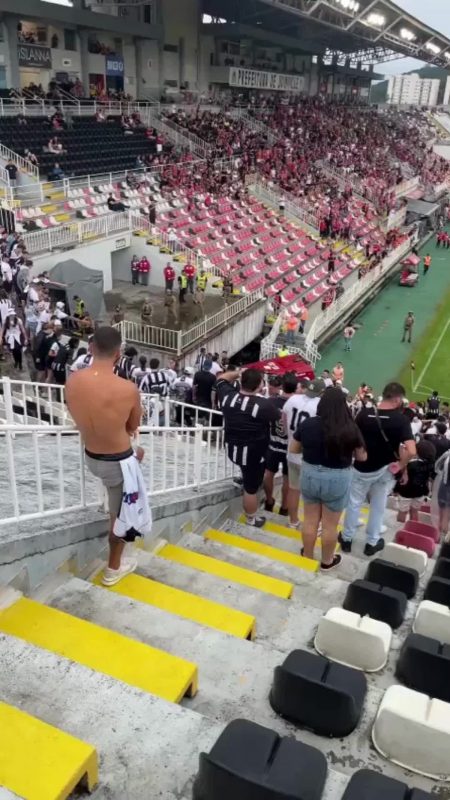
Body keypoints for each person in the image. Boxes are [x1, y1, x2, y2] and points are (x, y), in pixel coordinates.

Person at [66, 327, 146, 586]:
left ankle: (115, 558)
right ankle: (113, 568)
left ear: (91, 348)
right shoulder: (128, 388)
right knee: (120, 517)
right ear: (118, 354)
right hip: (117, 462)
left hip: (91, 456)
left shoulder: (73, 380)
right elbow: (133, 425)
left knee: (115, 507)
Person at [290, 387, 367, 569]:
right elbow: (362, 457)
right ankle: (327, 560)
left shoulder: (308, 424)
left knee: (309, 520)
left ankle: (307, 556)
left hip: (310, 474)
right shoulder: (350, 428)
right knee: (329, 526)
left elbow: (293, 449)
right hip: (337, 478)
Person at [340, 382, 416, 556]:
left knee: (354, 503)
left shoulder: (364, 414)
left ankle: (346, 539)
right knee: (378, 505)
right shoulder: (401, 419)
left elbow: (353, 440)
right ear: (397, 398)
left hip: (361, 467)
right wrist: (402, 466)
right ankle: (371, 542)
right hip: (385, 469)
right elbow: (411, 450)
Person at [216, 367, 281, 527]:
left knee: (247, 472)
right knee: (251, 489)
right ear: (260, 385)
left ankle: (244, 477)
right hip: (253, 454)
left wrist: (239, 372)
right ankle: (251, 518)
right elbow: (278, 420)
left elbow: (221, 379)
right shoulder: (264, 405)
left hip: (232, 448)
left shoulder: (228, 396)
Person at [283, 377, 325, 529]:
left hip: (292, 450)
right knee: (315, 495)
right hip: (310, 456)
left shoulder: (293, 399)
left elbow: (284, 418)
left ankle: (293, 521)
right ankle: (316, 525)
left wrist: (290, 435)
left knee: (293, 489)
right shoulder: (320, 405)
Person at [263, 374, 297, 515]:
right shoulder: (297, 405)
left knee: (268, 473)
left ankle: (269, 500)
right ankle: (284, 507)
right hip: (290, 447)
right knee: (287, 479)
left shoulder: (271, 401)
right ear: (295, 388)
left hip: (273, 444)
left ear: (282, 386)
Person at [395, 439, 436, 525]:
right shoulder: (430, 465)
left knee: (403, 512)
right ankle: (412, 527)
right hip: (420, 492)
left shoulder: (410, 465)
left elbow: (399, 476)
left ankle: (399, 527)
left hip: (406, 492)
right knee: (414, 512)